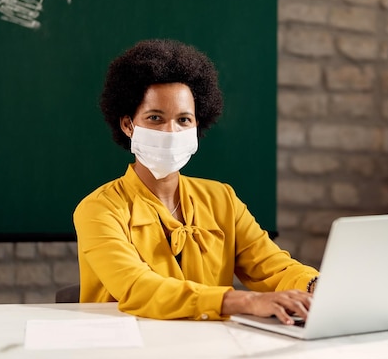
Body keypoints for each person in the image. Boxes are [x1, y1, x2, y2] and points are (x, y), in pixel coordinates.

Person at [73, 39, 319, 324]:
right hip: (126, 351)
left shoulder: (222, 199)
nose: (170, 131)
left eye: (183, 120)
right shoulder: (98, 210)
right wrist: (245, 300)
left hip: (208, 349)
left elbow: (273, 268)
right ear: (128, 125)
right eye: (155, 118)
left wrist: (316, 286)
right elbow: (138, 287)